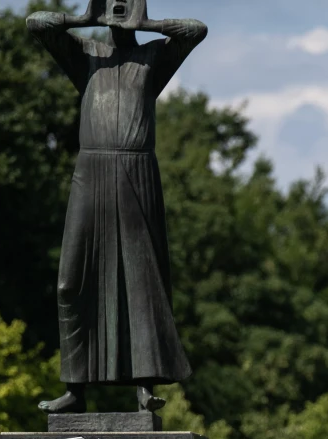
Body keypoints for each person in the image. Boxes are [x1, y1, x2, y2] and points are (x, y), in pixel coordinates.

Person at [26, 0, 207, 414]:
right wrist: (84, 17)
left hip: (135, 172)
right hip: (91, 172)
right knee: (71, 281)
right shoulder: (87, 55)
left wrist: (149, 22)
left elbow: (196, 30)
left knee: (141, 280)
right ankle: (75, 389)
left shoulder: (153, 58)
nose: (118, 9)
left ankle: (144, 387)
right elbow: (38, 24)